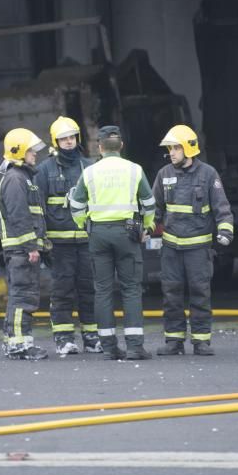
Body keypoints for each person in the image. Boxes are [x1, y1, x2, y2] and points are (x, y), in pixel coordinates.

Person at [69, 126, 156, 361]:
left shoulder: (89, 173)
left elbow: (76, 206)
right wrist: (146, 227)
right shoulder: (134, 170)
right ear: (121, 146)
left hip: (98, 234)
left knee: (103, 290)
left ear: (99, 147)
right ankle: (135, 347)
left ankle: (108, 346)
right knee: (130, 289)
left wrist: (83, 225)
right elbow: (149, 202)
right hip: (128, 233)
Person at [152, 125, 235, 356]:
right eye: (170, 148)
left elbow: (222, 208)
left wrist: (226, 231)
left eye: (176, 147)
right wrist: (141, 229)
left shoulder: (208, 174)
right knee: (171, 294)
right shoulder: (164, 174)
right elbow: (154, 210)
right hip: (171, 248)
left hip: (198, 248)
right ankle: (174, 342)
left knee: (200, 293)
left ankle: (201, 341)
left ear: (189, 148)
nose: (172, 153)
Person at [33, 116, 100, 355]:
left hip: (86, 242)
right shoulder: (43, 171)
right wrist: (42, 243)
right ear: (55, 142)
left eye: (72, 137)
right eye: (63, 138)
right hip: (59, 245)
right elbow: (37, 209)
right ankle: (64, 339)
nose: (69, 142)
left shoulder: (90, 167)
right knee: (62, 291)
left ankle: (92, 338)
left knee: (88, 290)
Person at [0, 128, 50, 361]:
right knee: (24, 297)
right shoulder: (16, 179)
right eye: (30, 150)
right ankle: (19, 344)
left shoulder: (19, 177)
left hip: (20, 248)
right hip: (21, 249)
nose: (34, 154)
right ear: (18, 152)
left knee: (20, 295)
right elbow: (19, 216)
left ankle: (13, 341)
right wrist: (31, 246)